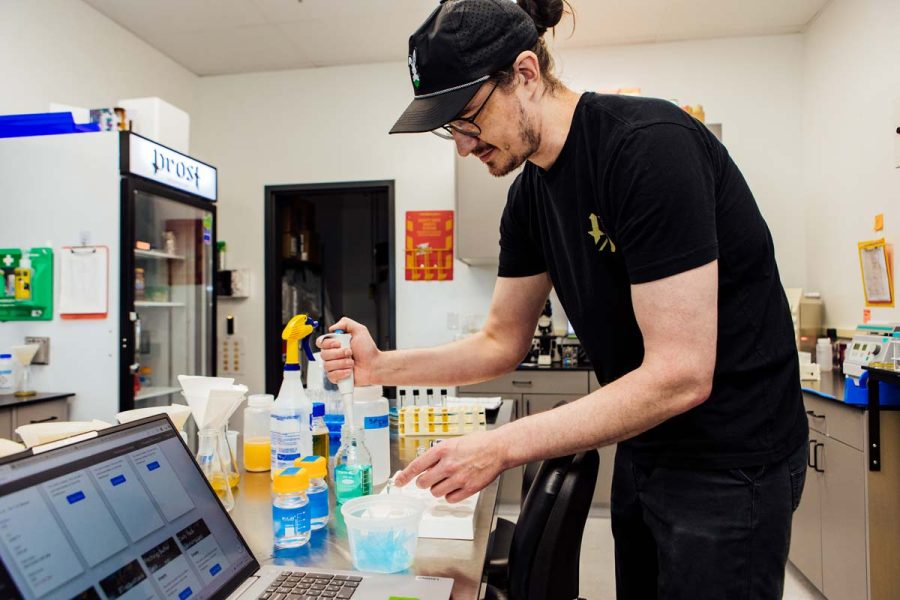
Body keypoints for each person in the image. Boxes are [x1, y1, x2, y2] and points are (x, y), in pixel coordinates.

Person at [317, 0, 809, 597]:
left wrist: (499, 447)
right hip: (648, 446)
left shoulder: (648, 147)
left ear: (525, 74)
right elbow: (500, 341)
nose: (463, 147)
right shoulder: (529, 198)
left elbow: (681, 373)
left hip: (732, 460)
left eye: (467, 119)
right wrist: (380, 367)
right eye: (450, 130)